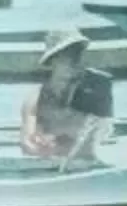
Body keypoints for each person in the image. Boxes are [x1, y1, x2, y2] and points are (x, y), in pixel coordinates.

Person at [20, 29, 115, 171]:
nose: (75, 60)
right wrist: (47, 144)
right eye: (67, 54)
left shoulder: (98, 85)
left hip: (89, 159)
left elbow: (97, 131)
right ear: (53, 60)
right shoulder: (35, 97)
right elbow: (27, 144)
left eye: (78, 52)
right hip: (53, 162)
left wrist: (58, 139)